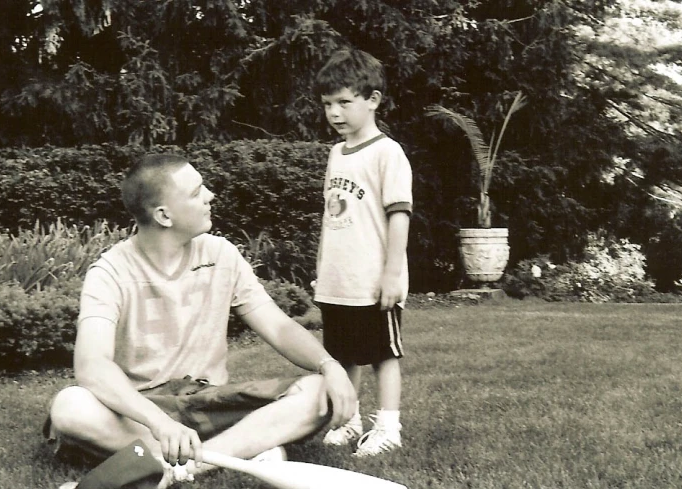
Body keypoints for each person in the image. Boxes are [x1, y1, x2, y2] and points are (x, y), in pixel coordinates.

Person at [45, 153, 357, 487]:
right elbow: (92, 366)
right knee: (70, 406)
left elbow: (278, 326)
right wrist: (159, 423)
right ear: (164, 215)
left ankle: (178, 467)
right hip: (140, 411)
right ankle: (237, 450)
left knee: (318, 391)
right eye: (196, 192)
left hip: (211, 402)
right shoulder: (109, 272)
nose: (210, 195)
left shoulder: (221, 255)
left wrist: (329, 365)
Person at [312, 48, 413, 457]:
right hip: (339, 280)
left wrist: (392, 273)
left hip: (374, 280)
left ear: (372, 100)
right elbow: (331, 216)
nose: (334, 113)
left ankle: (389, 426)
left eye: (343, 102)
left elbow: (399, 216)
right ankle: (350, 420)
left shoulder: (387, 153)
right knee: (343, 353)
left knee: (381, 355)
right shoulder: (337, 153)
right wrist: (322, 268)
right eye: (327, 104)